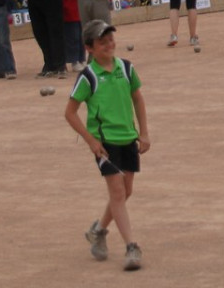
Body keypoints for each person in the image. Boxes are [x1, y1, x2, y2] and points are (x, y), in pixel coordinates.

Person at [65, 20, 150, 271]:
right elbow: (70, 113)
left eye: (111, 40)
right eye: (102, 42)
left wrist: (143, 132)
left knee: (126, 191)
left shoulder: (126, 68)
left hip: (128, 138)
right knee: (117, 193)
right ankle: (131, 246)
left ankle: (99, 230)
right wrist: (91, 140)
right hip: (105, 144)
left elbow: (137, 98)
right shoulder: (88, 76)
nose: (109, 45)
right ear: (89, 48)